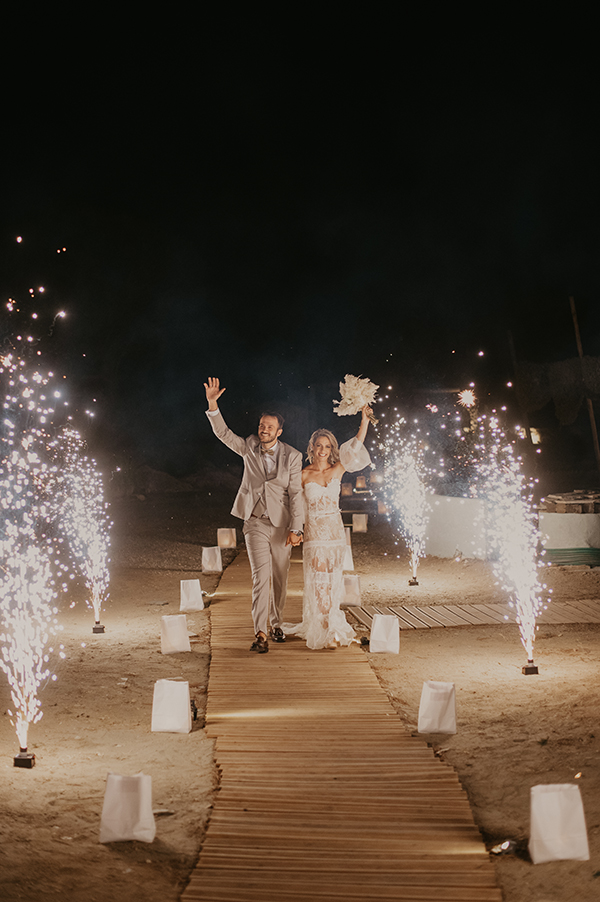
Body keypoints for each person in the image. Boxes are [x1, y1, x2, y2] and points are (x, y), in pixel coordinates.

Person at [204, 377, 304, 654]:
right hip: (255, 522)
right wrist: (213, 404)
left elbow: (296, 494)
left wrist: (297, 528)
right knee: (261, 577)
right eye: (261, 426)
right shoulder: (248, 445)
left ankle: (277, 623)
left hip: (282, 526)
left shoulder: (293, 457)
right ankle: (260, 632)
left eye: (269, 427)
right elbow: (224, 434)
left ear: (279, 431)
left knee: (280, 578)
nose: (263, 430)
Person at [284, 406, 372, 650]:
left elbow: (355, 446)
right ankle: (325, 628)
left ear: (332, 449)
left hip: (334, 534)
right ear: (312, 448)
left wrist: (364, 421)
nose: (323, 450)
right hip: (315, 535)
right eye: (318, 445)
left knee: (332, 582)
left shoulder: (338, 469)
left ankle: (332, 623)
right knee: (318, 581)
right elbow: (294, 506)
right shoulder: (302, 475)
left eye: (327, 446)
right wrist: (295, 531)